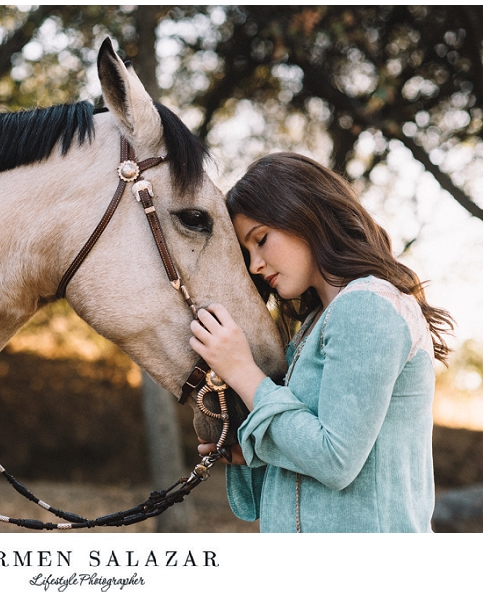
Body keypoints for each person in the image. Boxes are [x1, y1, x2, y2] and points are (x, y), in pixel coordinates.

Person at [189, 152, 454, 532]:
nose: (254, 264)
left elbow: (336, 460)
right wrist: (258, 452)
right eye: (247, 252)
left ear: (303, 213)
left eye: (261, 240)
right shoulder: (314, 325)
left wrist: (242, 371)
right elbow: (310, 473)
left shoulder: (368, 305)